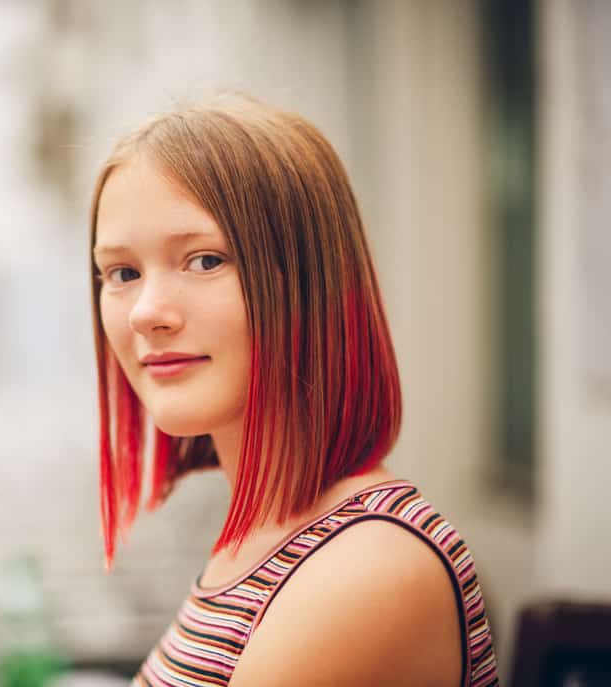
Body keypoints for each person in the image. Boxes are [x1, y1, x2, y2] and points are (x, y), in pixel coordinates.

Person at [88, 93, 499, 686]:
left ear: (311, 285)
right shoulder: (267, 534)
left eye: (205, 260)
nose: (146, 313)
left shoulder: (369, 565)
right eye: (122, 273)